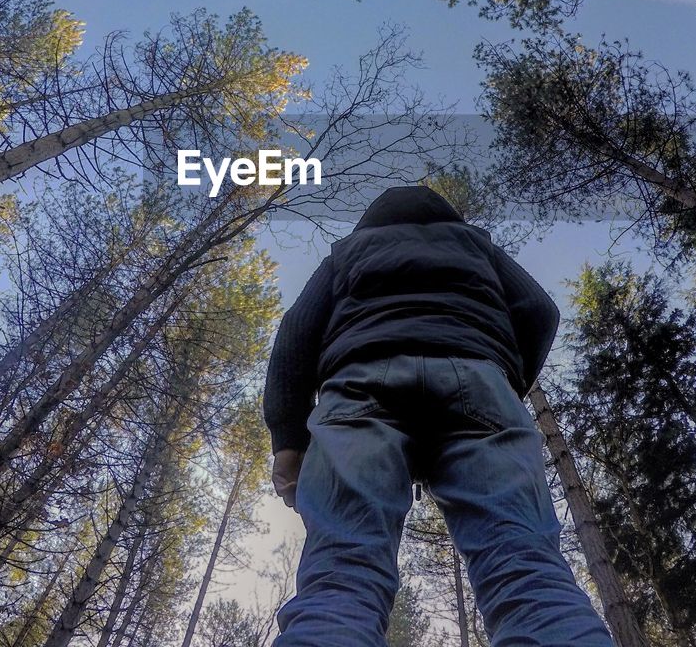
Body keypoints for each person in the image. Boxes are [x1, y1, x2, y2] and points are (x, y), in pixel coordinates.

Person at [262, 185, 615, 647]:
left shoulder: (346, 253)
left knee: (342, 571)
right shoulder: (476, 246)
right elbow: (540, 310)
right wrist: (505, 384)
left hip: (360, 383)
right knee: (525, 568)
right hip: (478, 380)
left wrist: (288, 439)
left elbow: (296, 333)